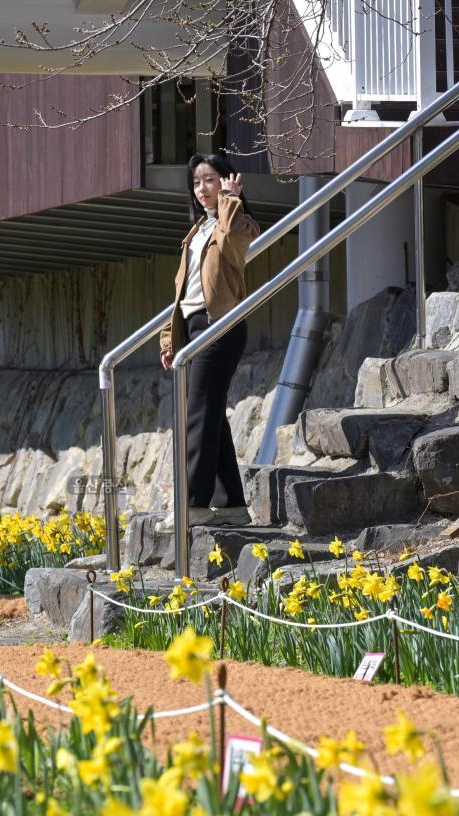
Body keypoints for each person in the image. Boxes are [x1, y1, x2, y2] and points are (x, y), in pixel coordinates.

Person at [157, 151, 260, 531]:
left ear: (227, 181)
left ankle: (193, 503)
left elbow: (234, 238)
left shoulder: (238, 224)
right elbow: (183, 293)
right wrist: (169, 339)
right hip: (194, 328)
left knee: (197, 414)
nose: (203, 188)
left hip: (222, 327)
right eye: (197, 182)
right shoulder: (197, 231)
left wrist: (231, 199)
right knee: (210, 415)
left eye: (211, 180)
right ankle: (230, 502)